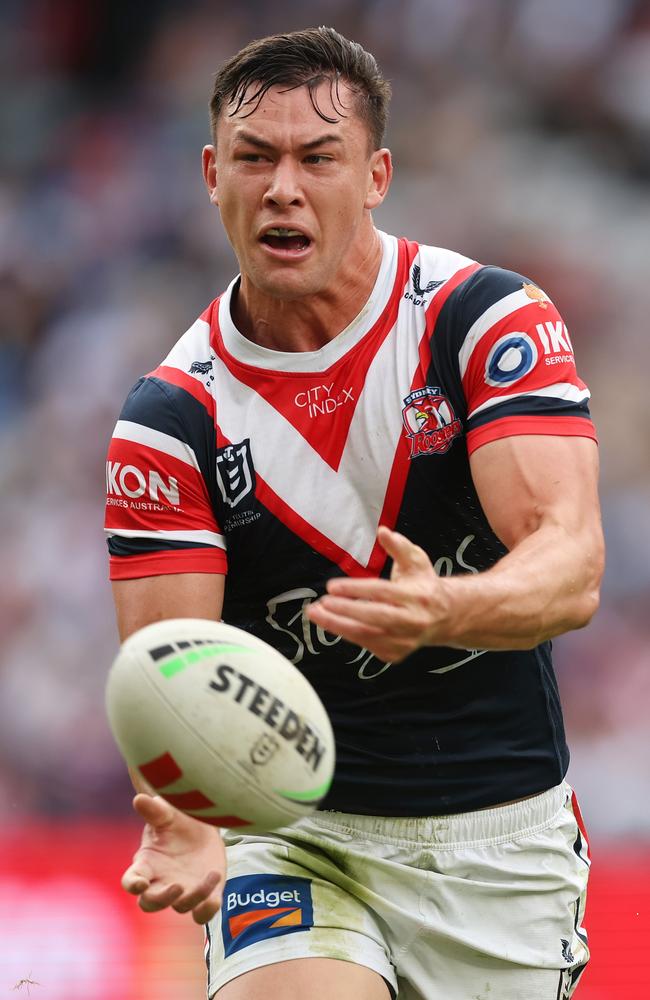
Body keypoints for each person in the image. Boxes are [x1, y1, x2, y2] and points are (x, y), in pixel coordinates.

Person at [104, 26, 604, 1000]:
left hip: (498, 844)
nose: (282, 187)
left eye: (316, 157)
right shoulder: (169, 420)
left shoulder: (480, 321)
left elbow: (570, 563)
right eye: (254, 157)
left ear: (373, 175)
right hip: (296, 840)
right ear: (212, 174)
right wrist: (188, 816)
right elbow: (170, 672)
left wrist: (443, 611)